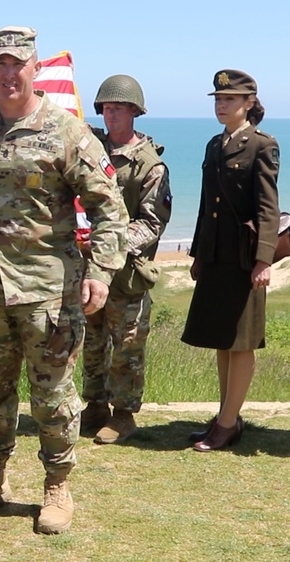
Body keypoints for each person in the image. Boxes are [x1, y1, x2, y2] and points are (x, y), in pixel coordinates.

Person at [0, 26, 128, 534]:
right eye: (0, 64)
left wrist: (102, 272)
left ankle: (57, 486)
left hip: (49, 293)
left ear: (35, 68)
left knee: (53, 398)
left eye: (18, 64)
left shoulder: (67, 131)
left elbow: (109, 210)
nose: (9, 73)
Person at [181, 69, 280, 452]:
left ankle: (227, 423)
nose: (222, 105)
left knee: (241, 343)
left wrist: (263, 260)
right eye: (219, 99)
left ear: (249, 103)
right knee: (223, 339)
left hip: (243, 257)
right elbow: (208, 206)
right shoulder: (214, 144)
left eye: (230, 100)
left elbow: (267, 207)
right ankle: (227, 415)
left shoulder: (261, 145)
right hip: (216, 254)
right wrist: (197, 254)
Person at [81, 75, 172, 444]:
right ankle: (96, 405)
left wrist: (108, 245)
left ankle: (124, 414)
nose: (110, 115)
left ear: (134, 111)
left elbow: (152, 223)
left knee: (127, 346)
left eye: (117, 109)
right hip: (88, 269)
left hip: (126, 273)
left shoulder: (149, 166)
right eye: (105, 108)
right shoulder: (91, 149)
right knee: (92, 341)